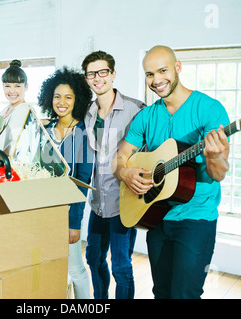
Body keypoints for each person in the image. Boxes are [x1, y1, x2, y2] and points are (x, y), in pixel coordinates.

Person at [113, 45, 230, 299]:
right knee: (162, 292)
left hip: (196, 219)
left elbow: (219, 174)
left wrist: (215, 155)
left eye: (162, 71)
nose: (156, 80)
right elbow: (120, 158)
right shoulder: (146, 116)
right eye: (149, 74)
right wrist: (125, 174)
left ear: (177, 67)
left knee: (184, 295)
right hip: (156, 216)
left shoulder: (209, 109)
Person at [82, 50, 146, 299]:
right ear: (86, 79)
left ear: (113, 74)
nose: (98, 78)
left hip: (123, 204)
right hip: (98, 203)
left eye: (103, 72)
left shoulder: (136, 110)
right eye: (91, 74)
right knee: (94, 258)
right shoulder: (87, 113)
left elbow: (147, 155)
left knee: (121, 267)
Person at [37, 67, 94, 299]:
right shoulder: (46, 130)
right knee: (50, 266)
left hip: (68, 213)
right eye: (57, 96)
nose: (62, 102)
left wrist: (74, 223)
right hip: (44, 212)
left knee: (75, 269)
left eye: (68, 97)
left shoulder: (84, 134)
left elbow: (81, 183)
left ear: (77, 100)